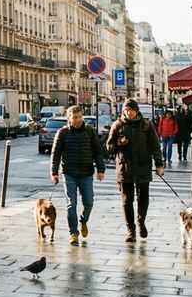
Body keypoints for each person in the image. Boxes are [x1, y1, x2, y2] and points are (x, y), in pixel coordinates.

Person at [106, 99, 165, 242]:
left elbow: (155, 145)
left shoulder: (146, 125)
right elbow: (109, 147)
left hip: (143, 167)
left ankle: (141, 222)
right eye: (126, 110)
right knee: (127, 200)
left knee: (143, 198)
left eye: (131, 110)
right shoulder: (118, 125)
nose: (128, 112)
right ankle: (130, 230)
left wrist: (159, 164)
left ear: (137, 111)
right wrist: (118, 144)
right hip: (124, 168)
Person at [50, 105, 106, 245]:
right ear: (68, 118)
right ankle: (73, 233)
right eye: (75, 117)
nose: (78, 120)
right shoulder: (62, 133)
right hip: (69, 173)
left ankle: (83, 220)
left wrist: (101, 169)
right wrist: (54, 172)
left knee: (89, 202)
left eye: (80, 117)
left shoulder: (89, 131)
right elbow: (55, 154)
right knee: (71, 204)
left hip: (86, 173)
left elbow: (97, 151)